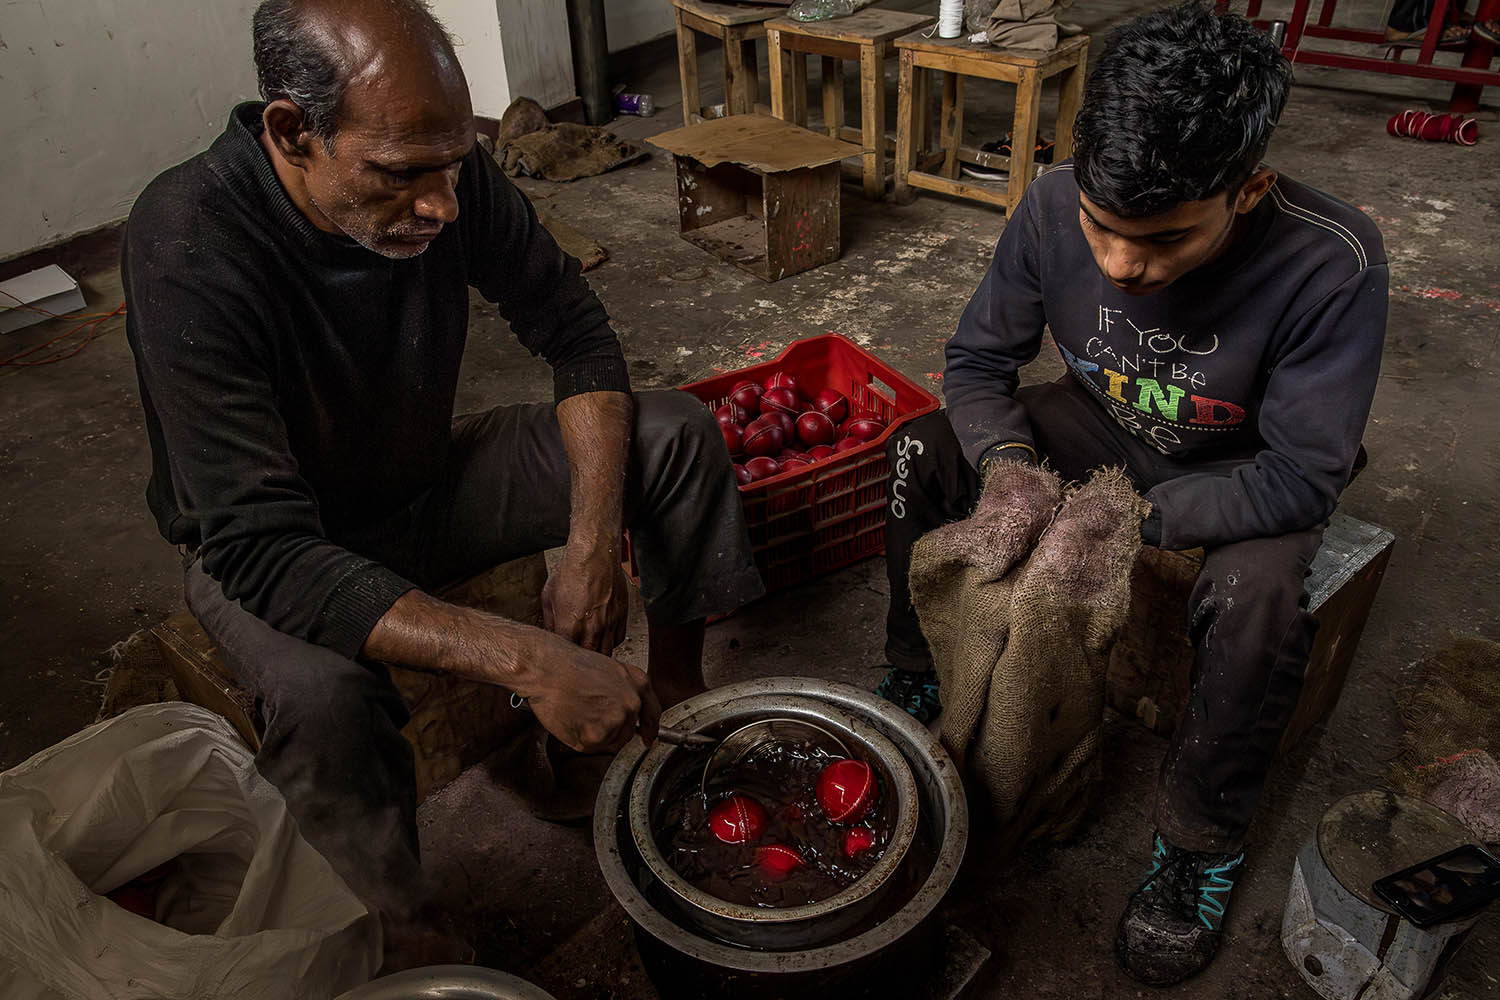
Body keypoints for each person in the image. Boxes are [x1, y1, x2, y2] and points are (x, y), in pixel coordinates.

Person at [121, 0, 763, 959]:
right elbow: (261, 547)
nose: (442, 206)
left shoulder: (443, 168)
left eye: (452, 165)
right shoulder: (188, 239)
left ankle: (671, 708)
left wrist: (591, 546)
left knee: (672, 433)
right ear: (292, 133)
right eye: (400, 174)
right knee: (328, 706)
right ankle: (405, 942)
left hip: (421, 483)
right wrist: (530, 660)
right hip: (276, 547)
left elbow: (577, 336)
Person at [874, 1, 1387, 986]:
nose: (1120, 264)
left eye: (1165, 241)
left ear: (1250, 190)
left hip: (1241, 464)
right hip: (1101, 420)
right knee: (921, 452)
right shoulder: (1049, 202)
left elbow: (1305, 475)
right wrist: (1009, 468)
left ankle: (1198, 843)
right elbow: (979, 363)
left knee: (1260, 599)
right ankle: (915, 672)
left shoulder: (1333, 260)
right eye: (1101, 230)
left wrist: (1136, 519)